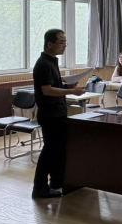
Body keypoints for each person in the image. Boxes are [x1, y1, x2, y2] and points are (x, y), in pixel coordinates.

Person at [33, 29, 85, 199]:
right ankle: (39, 187)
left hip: (58, 112)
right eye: (61, 42)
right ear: (50, 44)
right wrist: (71, 92)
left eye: (65, 43)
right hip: (50, 114)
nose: (64, 46)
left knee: (58, 149)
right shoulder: (43, 64)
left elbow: (53, 86)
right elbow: (47, 90)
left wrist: (67, 87)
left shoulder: (52, 62)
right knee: (49, 151)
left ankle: (56, 181)